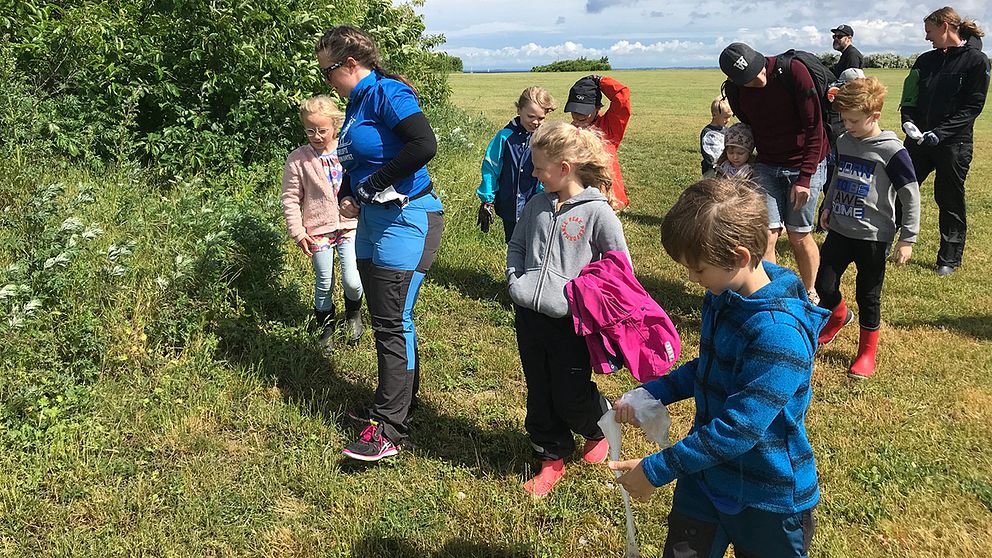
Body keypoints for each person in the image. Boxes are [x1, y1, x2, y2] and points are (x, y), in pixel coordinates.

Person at [608, 178, 828, 558]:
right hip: (706, 478)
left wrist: (655, 470)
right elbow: (710, 368)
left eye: (699, 269)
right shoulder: (724, 294)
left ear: (740, 256)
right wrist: (653, 392)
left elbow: (737, 431)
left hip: (767, 499)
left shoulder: (779, 335)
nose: (691, 279)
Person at [315, 25, 444, 461]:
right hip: (371, 221)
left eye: (328, 72)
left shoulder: (388, 92)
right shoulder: (355, 103)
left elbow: (424, 144)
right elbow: (355, 161)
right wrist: (349, 192)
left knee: (393, 321)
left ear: (351, 64)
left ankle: (391, 429)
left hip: (408, 218)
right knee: (388, 319)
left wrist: (374, 184)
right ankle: (397, 406)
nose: (326, 81)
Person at [506, 121, 629, 497]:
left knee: (571, 395)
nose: (532, 173)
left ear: (563, 168)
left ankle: (597, 422)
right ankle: (550, 456)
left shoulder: (598, 213)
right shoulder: (536, 205)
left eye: (539, 167)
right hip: (529, 317)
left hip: (572, 323)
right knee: (539, 390)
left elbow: (619, 267)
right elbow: (517, 245)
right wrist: (515, 279)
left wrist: (584, 295)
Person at [816, 77, 920, 380]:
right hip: (840, 228)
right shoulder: (844, 141)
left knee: (868, 295)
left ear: (874, 116)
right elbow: (837, 176)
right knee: (824, 285)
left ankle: (866, 352)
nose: (847, 125)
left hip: (874, 237)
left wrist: (907, 238)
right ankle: (838, 316)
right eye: (843, 119)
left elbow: (910, 193)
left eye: (853, 120)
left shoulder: (891, 150)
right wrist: (828, 205)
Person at [719, 42, 830, 302]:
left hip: (805, 163)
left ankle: (810, 292)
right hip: (767, 165)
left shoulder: (793, 72)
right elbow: (748, 125)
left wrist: (805, 178)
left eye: (758, 71)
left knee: (798, 234)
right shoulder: (736, 90)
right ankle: (775, 294)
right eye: (748, 79)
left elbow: (815, 127)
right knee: (767, 235)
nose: (757, 79)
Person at [899, 7, 989, 277]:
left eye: (929, 31)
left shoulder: (976, 61)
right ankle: (880, 245)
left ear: (946, 26)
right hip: (917, 142)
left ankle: (948, 258)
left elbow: (973, 106)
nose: (927, 37)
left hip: (953, 144)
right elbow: (910, 96)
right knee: (900, 190)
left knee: (949, 200)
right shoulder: (924, 61)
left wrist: (941, 132)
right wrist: (908, 121)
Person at [281, 95, 364, 354]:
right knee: (324, 281)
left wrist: (360, 207)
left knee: (352, 279)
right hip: (317, 230)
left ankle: (353, 314)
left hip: (350, 226)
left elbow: (362, 184)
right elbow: (291, 198)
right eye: (310, 130)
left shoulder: (348, 152)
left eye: (322, 130)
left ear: (335, 126)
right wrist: (298, 232)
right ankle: (325, 326)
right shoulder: (298, 159)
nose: (316, 136)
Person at [476, 86, 556, 242]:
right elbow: (490, 168)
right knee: (514, 244)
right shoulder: (505, 137)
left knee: (537, 245)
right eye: (530, 116)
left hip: (538, 205)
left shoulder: (546, 139)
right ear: (519, 110)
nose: (535, 122)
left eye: (541, 118)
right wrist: (487, 199)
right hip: (510, 205)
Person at [565, 74, 631, 210]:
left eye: (584, 110)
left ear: (597, 108)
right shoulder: (569, 131)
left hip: (609, 199)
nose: (578, 115)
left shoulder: (609, 127)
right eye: (574, 110)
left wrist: (601, 80)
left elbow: (622, 96)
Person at [701, 95, 733, 175]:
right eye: (725, 117)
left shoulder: (727, 130)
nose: (728, 120)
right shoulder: (708, 132)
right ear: (715, 115)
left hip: (725, 168)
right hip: (711, 170)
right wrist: (716, 166)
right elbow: (707, 153)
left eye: (729, 117)